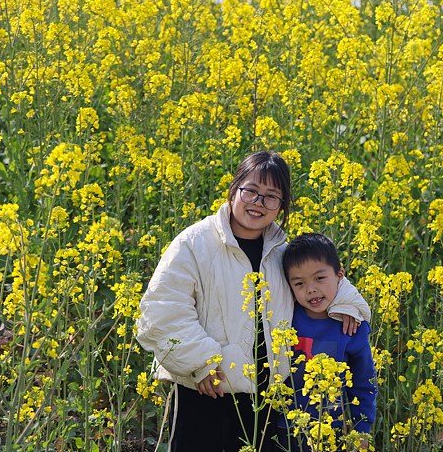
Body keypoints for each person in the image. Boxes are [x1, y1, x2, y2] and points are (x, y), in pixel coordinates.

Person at [135, 151, 371, 452]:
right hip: (207, 390)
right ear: (234, 189)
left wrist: (348, 304)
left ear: (281, 206)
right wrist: (202, 363)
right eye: (251, 191)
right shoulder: (193, 243)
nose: (258, 203)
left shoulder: (281, 250)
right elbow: (161, 310)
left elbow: (319, 279)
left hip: (266, 399)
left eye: (272, 196)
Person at [278, 232, 377, 452]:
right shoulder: (283, 317)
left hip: (334, 430)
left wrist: (362, 429)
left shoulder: (352, 328)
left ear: (340, 275)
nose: (311, 289)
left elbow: (363, 383)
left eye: (319, 278)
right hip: (286, 428)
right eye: (299, 283)